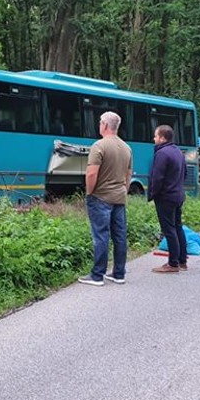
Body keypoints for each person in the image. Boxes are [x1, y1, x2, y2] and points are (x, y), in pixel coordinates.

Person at [78, 111, 132, 286]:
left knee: (101, 235)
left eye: (100, 122)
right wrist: (123, 190)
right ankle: (118, 273)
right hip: (119, 197)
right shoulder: (126, 148)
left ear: (106, 125)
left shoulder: (99, 146)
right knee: (120, 236)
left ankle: (97, 275)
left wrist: (90, 192)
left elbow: (92, 173)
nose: (99, 125)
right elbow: (128, 175)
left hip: (100, 197)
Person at [147, 124, 187, 273]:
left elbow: (157, 178)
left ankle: (173, 263)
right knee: (177, 227)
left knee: (168, 229)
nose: (154, 138)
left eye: (156, 136)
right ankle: (182, 261)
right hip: (178, 194)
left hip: (166, 197)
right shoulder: (178, 152)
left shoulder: (162, 153)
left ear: (162, 138)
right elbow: (185, 174)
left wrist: (153, 194)